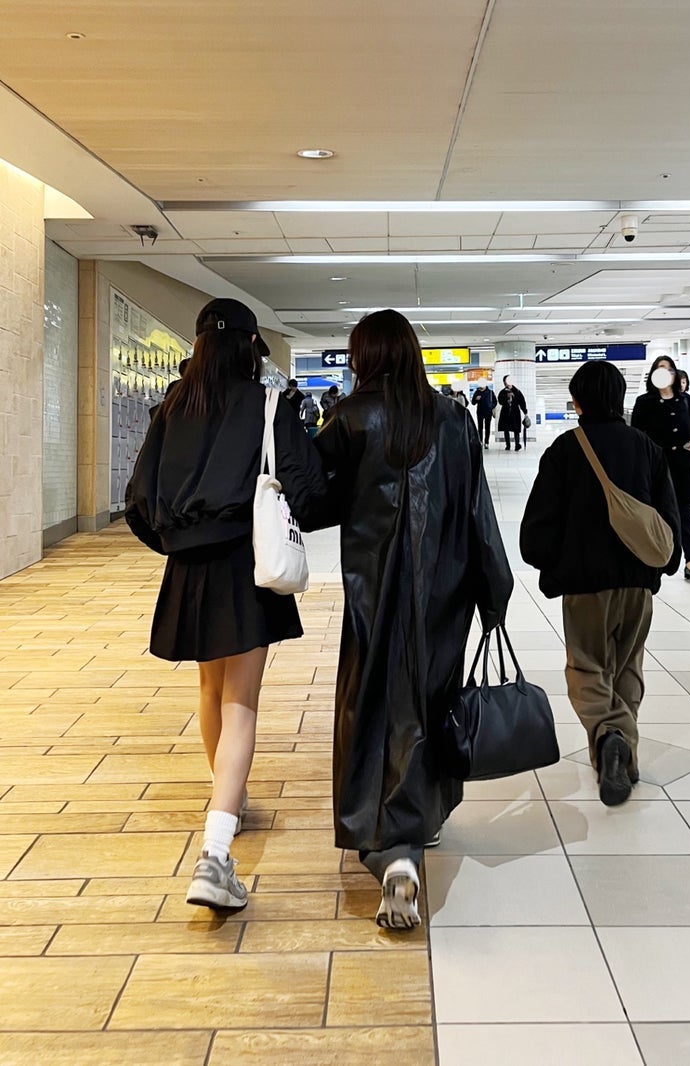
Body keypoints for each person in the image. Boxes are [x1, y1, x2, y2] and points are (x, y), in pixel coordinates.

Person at [311, 309, 513, 930]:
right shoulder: (451, 418)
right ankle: (418, 824)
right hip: (443, 594)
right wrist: (494, 590)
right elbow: (478, 510)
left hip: (372, 594)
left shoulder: (348, 418)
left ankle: (392, 851)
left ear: (364, 357)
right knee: (427, 704)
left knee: (371, 709)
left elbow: (314, 503)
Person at [125, 298, 326, 911]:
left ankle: (227, 800)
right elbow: (309, 490)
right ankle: (215, 854)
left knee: (211, 693)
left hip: (188, 569)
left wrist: (179, 543)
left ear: (198, 347)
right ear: (250, 347)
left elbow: (138, 501)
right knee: (241, 703)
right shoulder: (267, 404)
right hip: (243, 564)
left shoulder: (170, 407)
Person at [520, 361, 681, 806]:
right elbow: (669, 516)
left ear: (577, 402)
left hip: (585, 584)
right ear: (620, 399)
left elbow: (538, 531)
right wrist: (663, 567)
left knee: (587, 667)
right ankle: (623, 757)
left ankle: (610, 737)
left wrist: (550, 563)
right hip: (637, 583)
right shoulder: (647, 448)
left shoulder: (565, 450)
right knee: (627, 667)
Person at [631, 356, 690, 580]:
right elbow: (636, 434)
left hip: (683, 467)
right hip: (657, 468)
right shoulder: (645, 402)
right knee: (658, 514)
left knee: (686, 513)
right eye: (660, 369)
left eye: (669, 369)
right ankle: (658, 560)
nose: (665, 372)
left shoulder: (686, 401)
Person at [497, 374, 528, 451]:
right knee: (506, 429)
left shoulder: (517, 391)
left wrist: (525, 411)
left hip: (515, 412)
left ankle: (517, 445)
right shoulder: (502, 392)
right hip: (505, 412)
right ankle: (508, 445)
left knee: (516, 429)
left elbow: (522, 402)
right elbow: (500, 401)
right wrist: (506, 397)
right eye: (504, 381)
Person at [471, 379, 497, 448]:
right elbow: (473, 402)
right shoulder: (477, 392)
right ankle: (480, 441)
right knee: (480, 428)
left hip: (488, 412)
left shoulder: (490, 392)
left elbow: (495, 402)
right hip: (480, 412)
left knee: (487, 428)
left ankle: (486, 442)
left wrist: (491, 406)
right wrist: (476, 399)